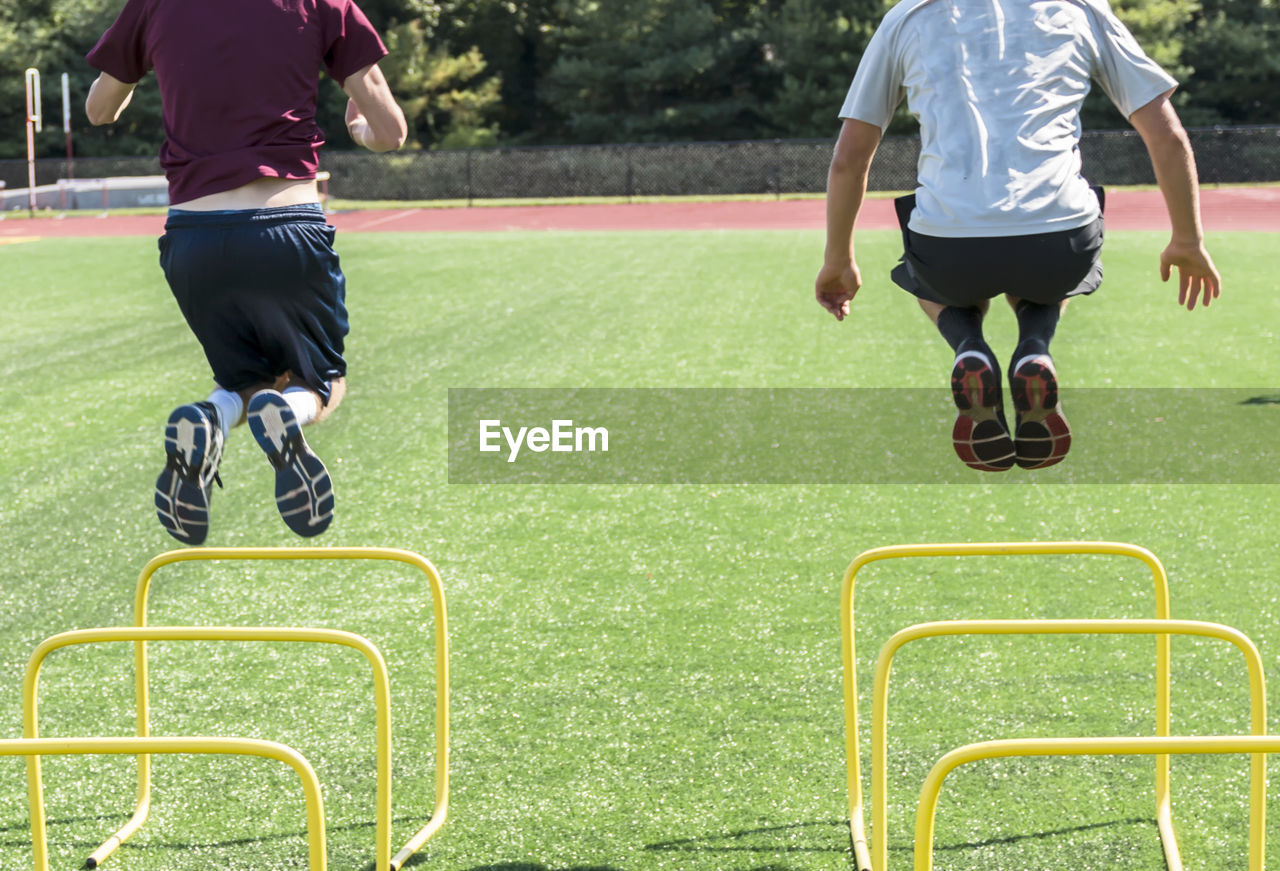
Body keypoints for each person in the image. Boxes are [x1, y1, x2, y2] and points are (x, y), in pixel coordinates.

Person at [815, 0, 1221, 472]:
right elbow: (1166, 134)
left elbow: (850, 158)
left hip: (950, 248)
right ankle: (1034, 347)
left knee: (924, 270)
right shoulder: (1081, 9)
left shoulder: (908, 17)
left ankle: (968, 345)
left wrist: (838, 258)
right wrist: (1187, 240)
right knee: (1049, 258)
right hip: (1060, 240)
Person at [84, 0, 407, 542]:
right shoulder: (326, 4)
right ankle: (291, 408)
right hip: (285, 229)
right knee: (323, 380)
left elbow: (99, 111)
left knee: (243, 380)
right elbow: (390, 130)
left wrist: (155, 61)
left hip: (192, 242)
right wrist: (359, 128)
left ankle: (211, 417)